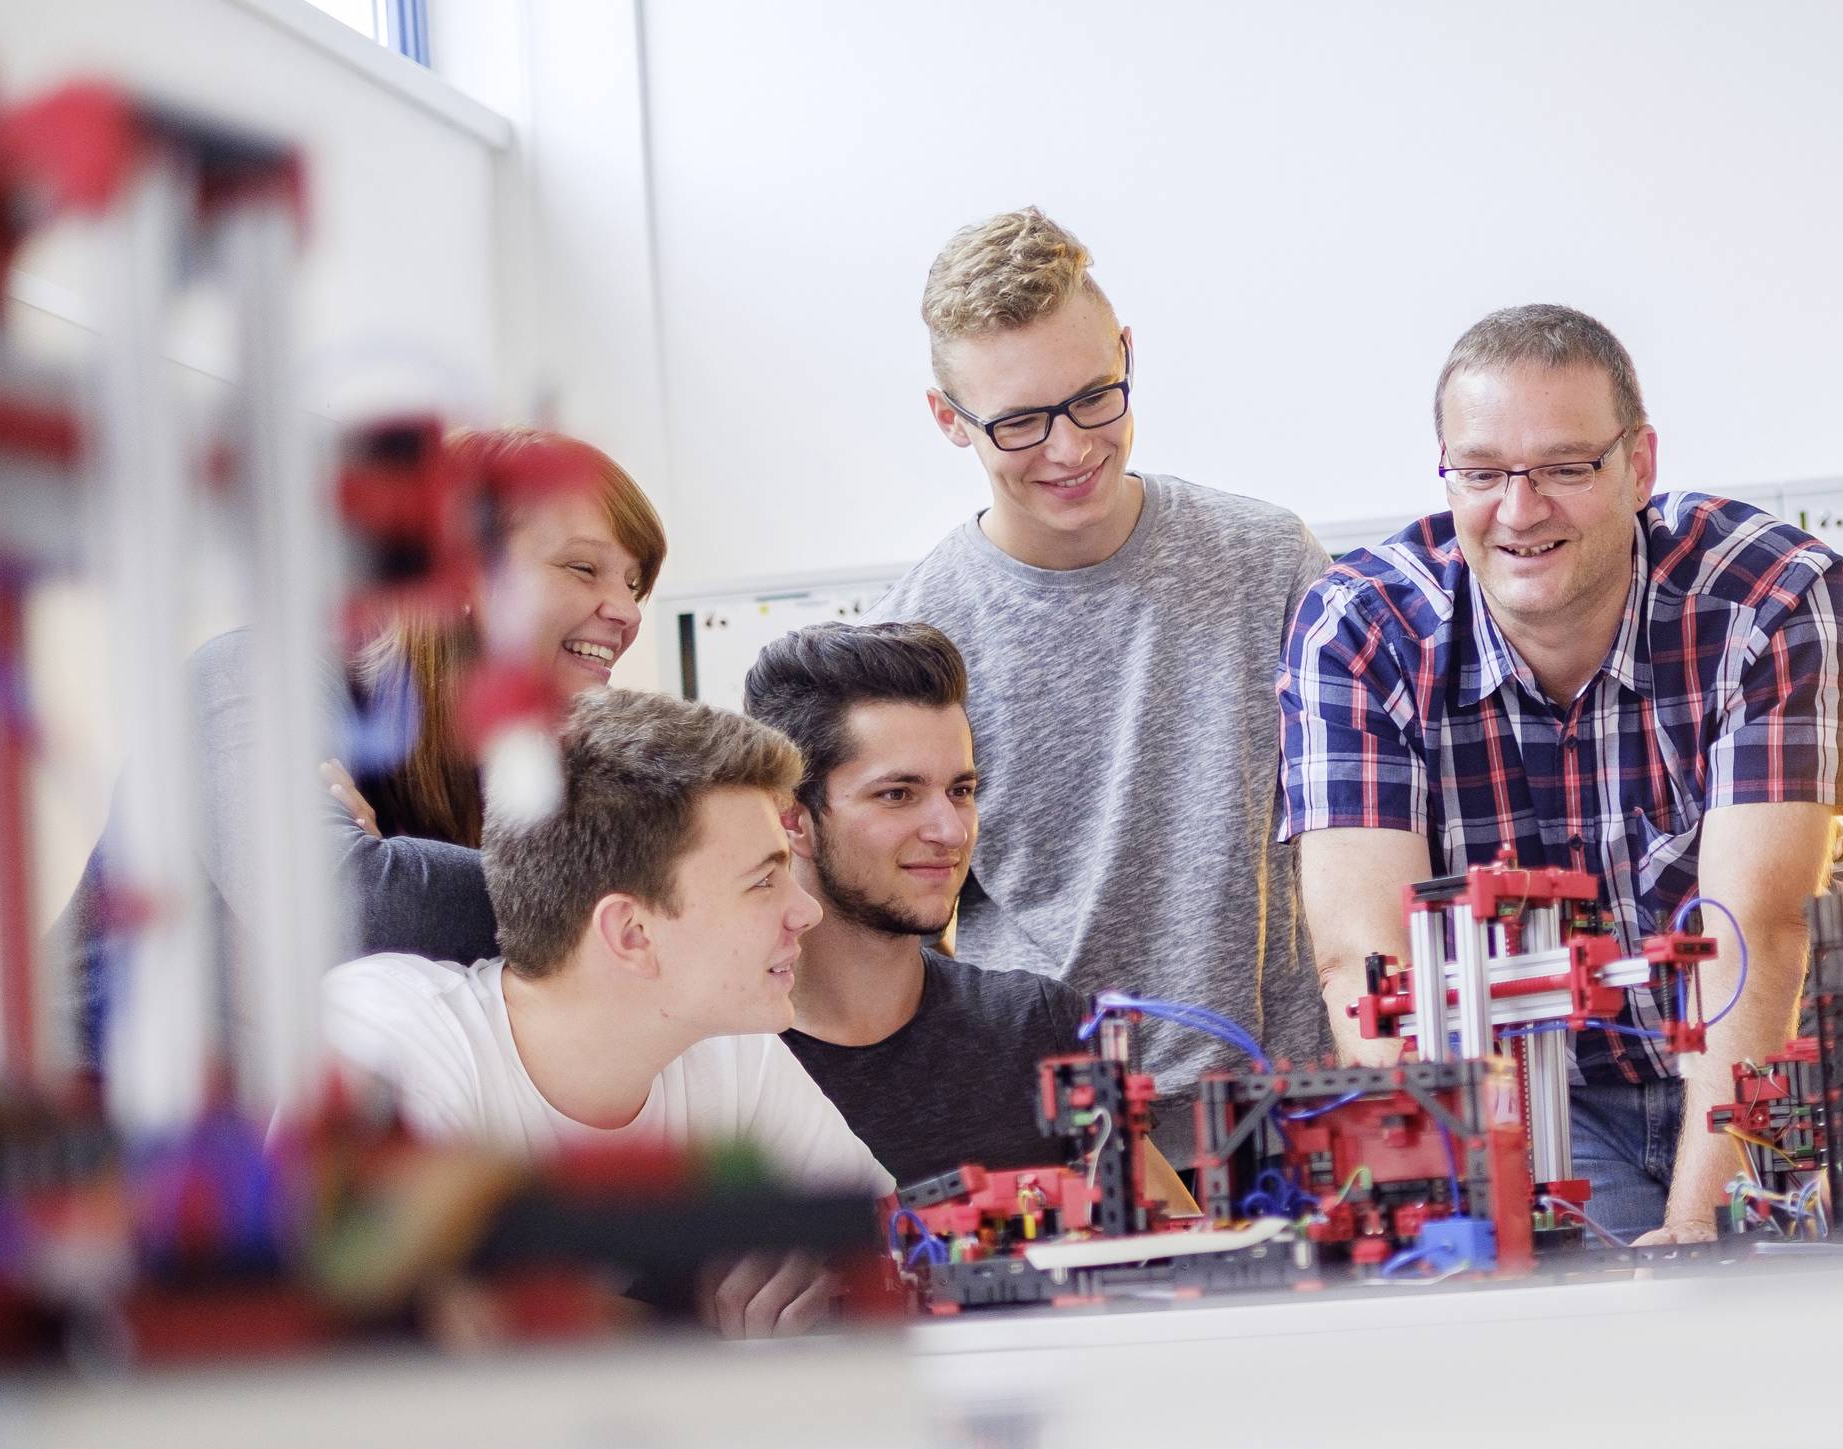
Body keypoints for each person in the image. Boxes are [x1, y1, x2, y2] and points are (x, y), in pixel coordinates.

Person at [1282, 303, 1843, 1244]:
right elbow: (1370, 968)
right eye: (1481, 474)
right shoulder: (1360, 632)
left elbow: (1757, 931)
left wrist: (1694, 1231)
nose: (1519, 511)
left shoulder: (1765, 596)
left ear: (1640, 464)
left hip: (1766, 1078)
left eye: (1565, 468)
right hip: (1552, 1106)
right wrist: (1467, 1228)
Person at [865, 208, 1330, 1153]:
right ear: (949, 419)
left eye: (1094, 397)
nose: (1071, 448)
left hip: (1295, 1121)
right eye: (1021, 421)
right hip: (1057, 1140)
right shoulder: (917, 635)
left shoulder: (1271, 562)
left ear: (1125, 351)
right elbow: (899, 932)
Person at [67, 426, 667, 1045]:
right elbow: (344, 906)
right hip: (93, 1111)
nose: (626, 612)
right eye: (583, 567)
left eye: (633, 582)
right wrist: (624, 899)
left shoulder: (533, 755)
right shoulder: (253, 677)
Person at [319, 688, 888, 1338]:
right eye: (764, 880)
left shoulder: (731, 1048)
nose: (805, 910)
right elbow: (390, 1338)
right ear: (632, 933)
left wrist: (826, 1282)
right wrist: (693, 1326)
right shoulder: (391, 1035)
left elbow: (890, 1240)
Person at [741, 622, 1192, 1205]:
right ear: (794, 818)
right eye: (897, 794)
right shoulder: (719, 1060)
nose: (951, 831)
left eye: (960, 790)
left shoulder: (1039, 1025)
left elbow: (1184, 1253)